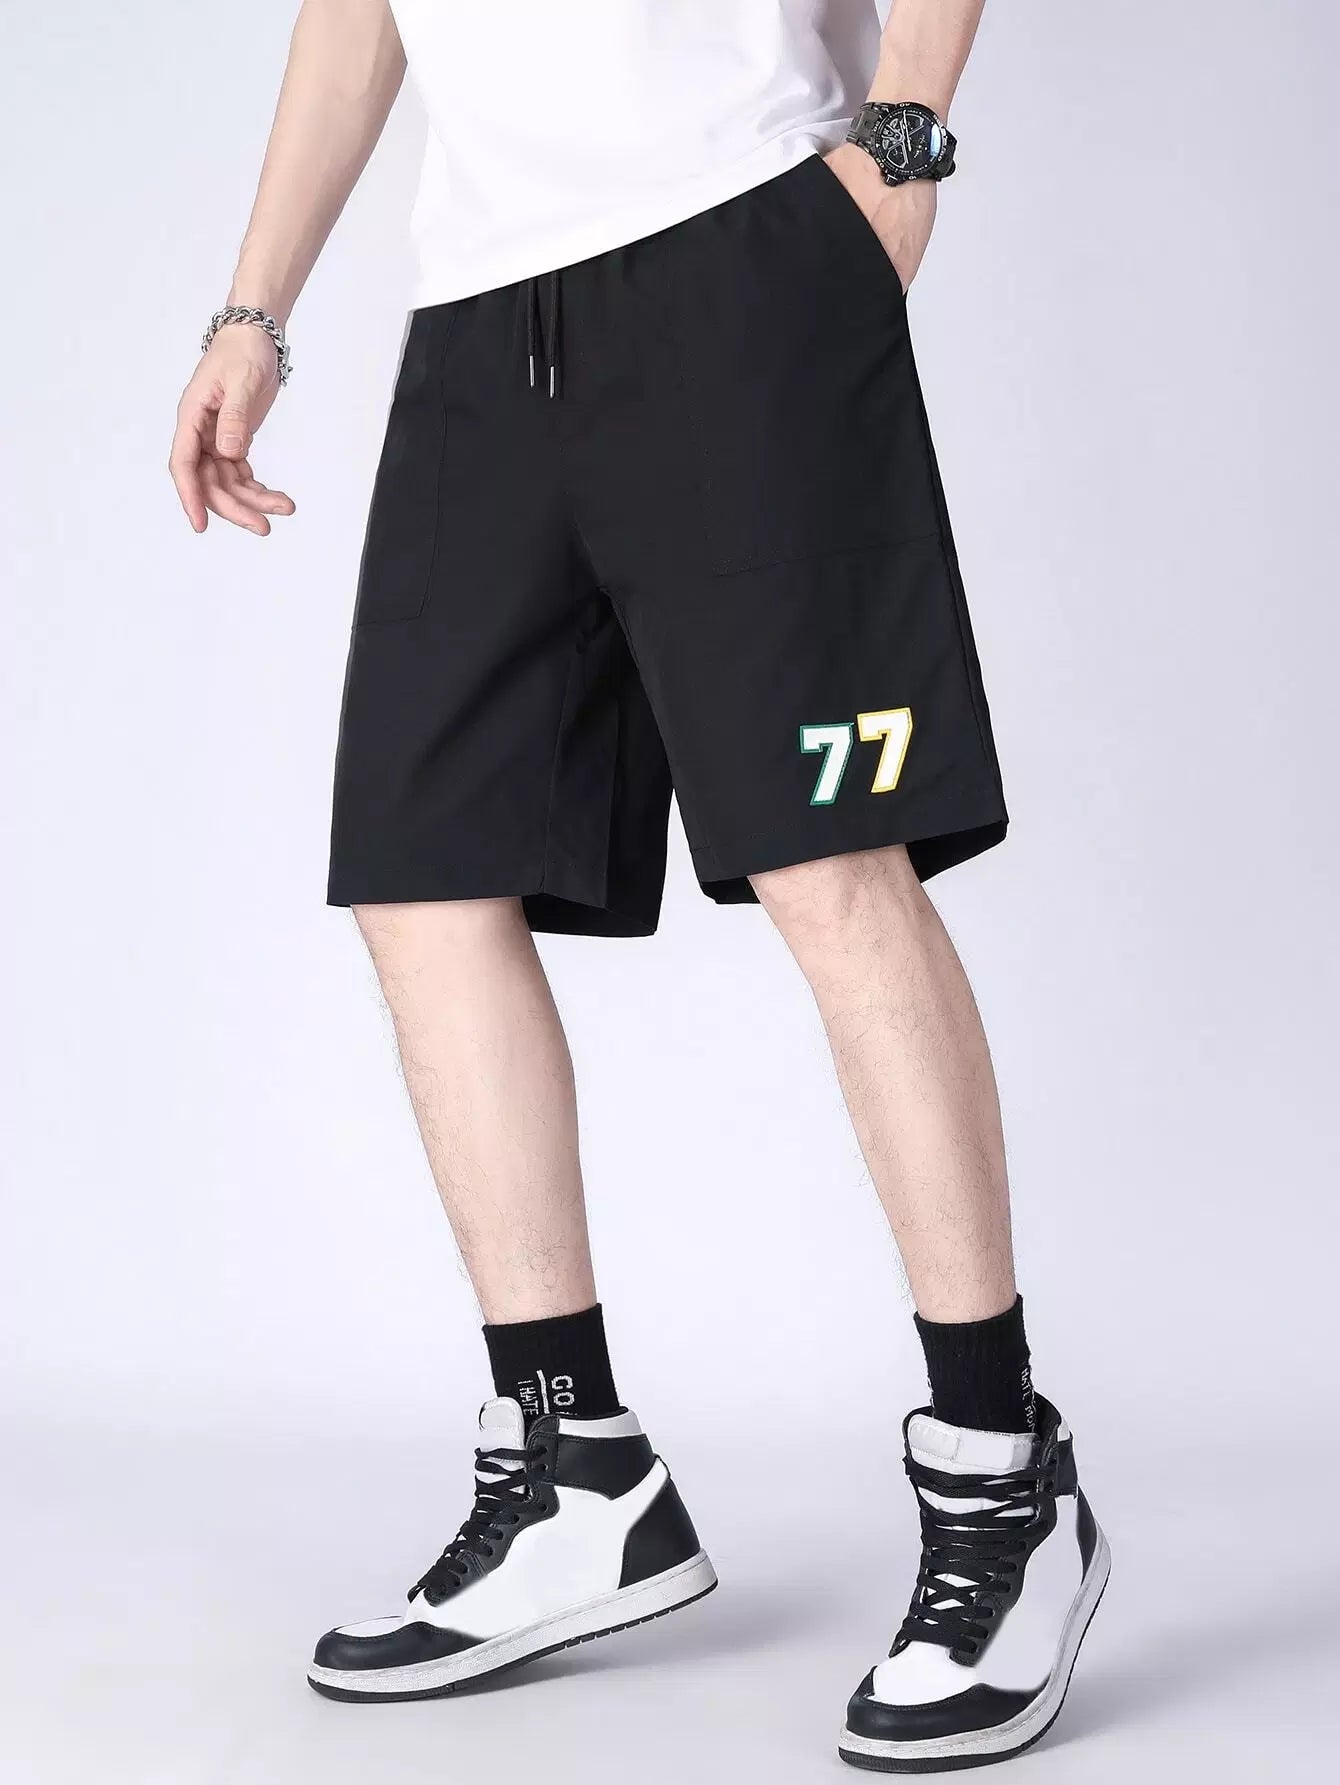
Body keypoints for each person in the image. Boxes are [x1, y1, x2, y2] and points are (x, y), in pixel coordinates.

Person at [169, 1, 1108, 1768]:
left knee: (831, 865)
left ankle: (1004, 1479)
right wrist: (253, 307)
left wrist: (905, 138)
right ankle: (572, 1468)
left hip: (742, 250)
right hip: (483, 313)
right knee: (422, 875)